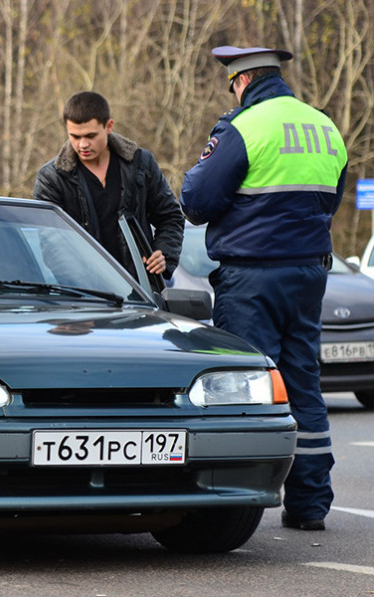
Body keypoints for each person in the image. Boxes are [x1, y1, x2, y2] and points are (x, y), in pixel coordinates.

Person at [181, 46, 348, 531]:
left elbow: (197, 201)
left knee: (246, 387)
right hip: (310, 273)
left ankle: (238, 505)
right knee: (303, 384)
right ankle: (310, 504)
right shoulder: (323, 126)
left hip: (253, 277)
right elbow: (330, 200)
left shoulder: (244, 126)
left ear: (241, 80)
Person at [32, 91, 184, 280]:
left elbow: (170, 217)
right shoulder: (52, 179)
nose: (83, 144)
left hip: (142, 291)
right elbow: (52, 246)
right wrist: (90, 288)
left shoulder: (141, 164)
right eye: (75, 136)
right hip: (88, 298)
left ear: (109, 126)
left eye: (90, 135)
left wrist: (163, 254)